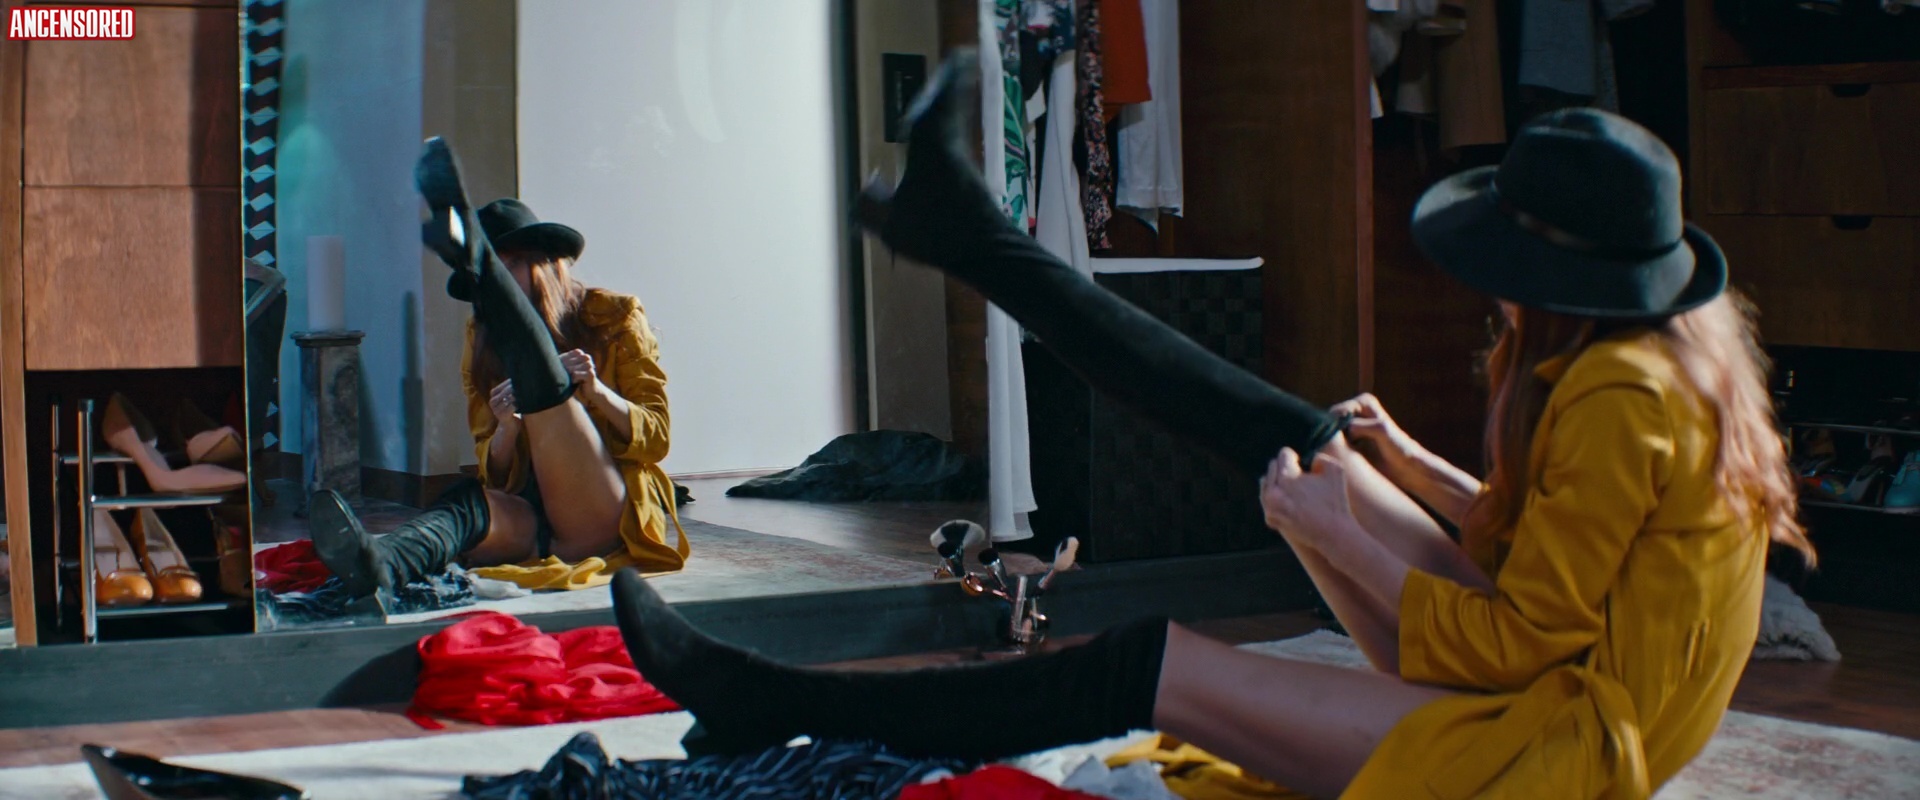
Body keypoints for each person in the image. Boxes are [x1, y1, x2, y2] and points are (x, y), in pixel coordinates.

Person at [606, 53, 1812, 799]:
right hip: (1568, 688)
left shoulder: (1617, 398)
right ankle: (967, 230)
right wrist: (1404, 469)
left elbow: (1517, 642)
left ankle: (771, 695)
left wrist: (1342, 535)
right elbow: (1549, 553)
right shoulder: (1658, 360)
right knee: (1300, 436)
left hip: (1557, 748)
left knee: (1149, 663)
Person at [309, 144, 685, 599]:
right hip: (532, 518)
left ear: (547, 263)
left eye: (514, 265)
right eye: (499, 268)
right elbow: (494, 469)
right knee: (466, 505)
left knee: (548, 386)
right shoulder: (481, 336)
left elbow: (657, 438)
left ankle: (476, 256)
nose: (511, 278)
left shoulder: (616, 315)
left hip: (600, 512)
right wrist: (506, 427)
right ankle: (381, 562)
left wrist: (596, 391)